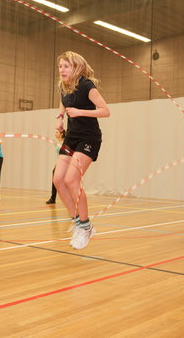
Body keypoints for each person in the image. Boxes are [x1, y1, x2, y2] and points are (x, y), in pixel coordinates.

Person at [52, 51, 110, 250]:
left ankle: (85, 227)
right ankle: (78, 223)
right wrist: (60, 119)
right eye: (60, 66)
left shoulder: (87, 85)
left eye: (66, 66)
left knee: (71, 180)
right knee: (58, 179)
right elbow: (63, 102)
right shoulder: (64, 86)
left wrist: (80, 112)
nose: (62, 70)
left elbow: (105, 111)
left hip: (89, 138)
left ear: (76, 67)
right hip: (71, 137)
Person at [46, 129, 66, 204]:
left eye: (57, 133)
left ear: (61, 134)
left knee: (67, 181)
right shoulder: (58, 142)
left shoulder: (65, 142)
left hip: (65, 164)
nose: (55, 134)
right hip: (59, 163)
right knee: (55, 179)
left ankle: (71, 198)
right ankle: (52, 198)